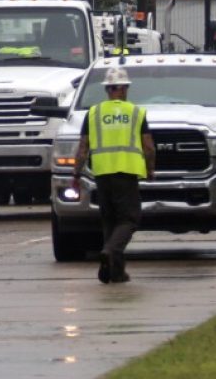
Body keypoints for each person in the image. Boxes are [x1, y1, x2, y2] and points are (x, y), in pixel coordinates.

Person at [70, 66, 155, 284]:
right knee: (129, 219)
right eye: (125, 87)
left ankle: (114, 272)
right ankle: (110, 251)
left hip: (102, 173)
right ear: (124, 88)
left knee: (109, 221)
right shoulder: (135, 112)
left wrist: (76, 174)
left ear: (107, 89)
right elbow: (149, 147)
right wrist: (150, 170)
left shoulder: (94, 113)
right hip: (126, 173)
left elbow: (82, 147)